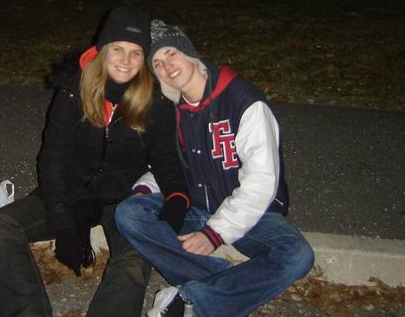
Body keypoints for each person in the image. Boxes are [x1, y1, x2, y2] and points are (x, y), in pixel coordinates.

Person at [0, 8, 191, 317]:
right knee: (1, 226)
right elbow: (53, 157)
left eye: (135, 53)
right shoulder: (74, 89)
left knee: (134, 258)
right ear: (103, 49)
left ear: (144, 58)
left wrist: (177, 196)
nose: (126, 60)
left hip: (121, 198)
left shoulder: (154, 98)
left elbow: (165, 158)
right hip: (71, 189)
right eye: (118, 49)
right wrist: (61, 219)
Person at [115, 20, 314, 317]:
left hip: (251, 214)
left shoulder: (244, 102)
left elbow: (261, 181)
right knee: (129, 213)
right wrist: (145, 189)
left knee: (297, 255)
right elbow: (168, 164)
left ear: (189, 54)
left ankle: (191, 299)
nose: (167, 67)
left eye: (171, 54)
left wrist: (215, 234)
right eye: (157, 63)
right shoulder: (171, 107)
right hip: (197, 207)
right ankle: (225, 284)